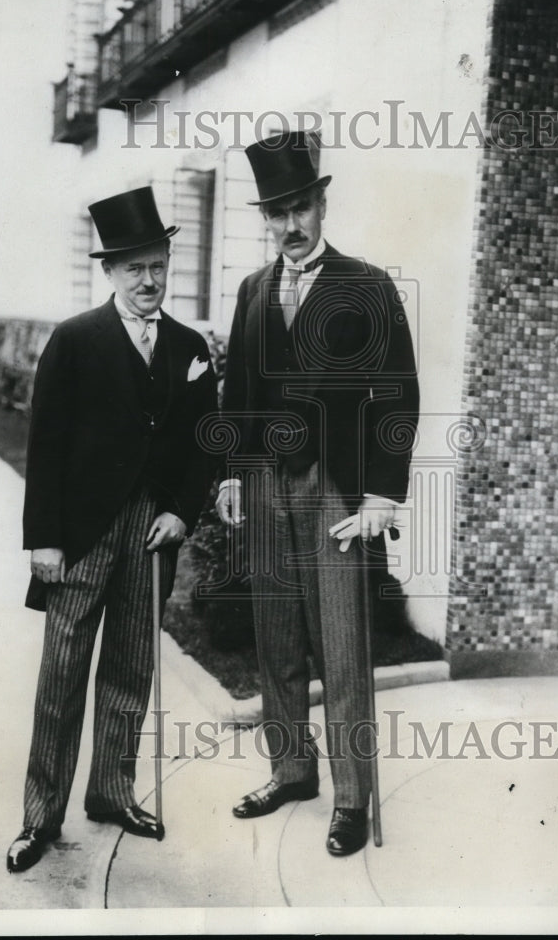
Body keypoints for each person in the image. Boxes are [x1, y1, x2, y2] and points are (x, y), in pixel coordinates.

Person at [216, 132, 419, 856]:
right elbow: (237, 391)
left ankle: (352, 799)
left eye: (300, 206)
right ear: (265, 219)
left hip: (335, 489)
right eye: (277, 213)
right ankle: (290, 769)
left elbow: (397, 394)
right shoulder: (250, 291)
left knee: (341, 644)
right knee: (277, 638)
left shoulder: (365, 285)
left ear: (321, 203)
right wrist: (234, 474)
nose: (290, 224)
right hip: (266, 483)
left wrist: (382, 497)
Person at [7, 186, 218, 873]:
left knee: (131, 670)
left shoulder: (190, 347)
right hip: (82, 533)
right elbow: (45, 443)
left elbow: (204, 444)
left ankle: (112, 792)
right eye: (134, 268)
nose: (150, 279)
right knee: (62, 675)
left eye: (158, 264)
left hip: (150, 536)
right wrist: (44, 538)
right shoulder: (73, 340)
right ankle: (39, 819)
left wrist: (182, 511)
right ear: (109, 272)